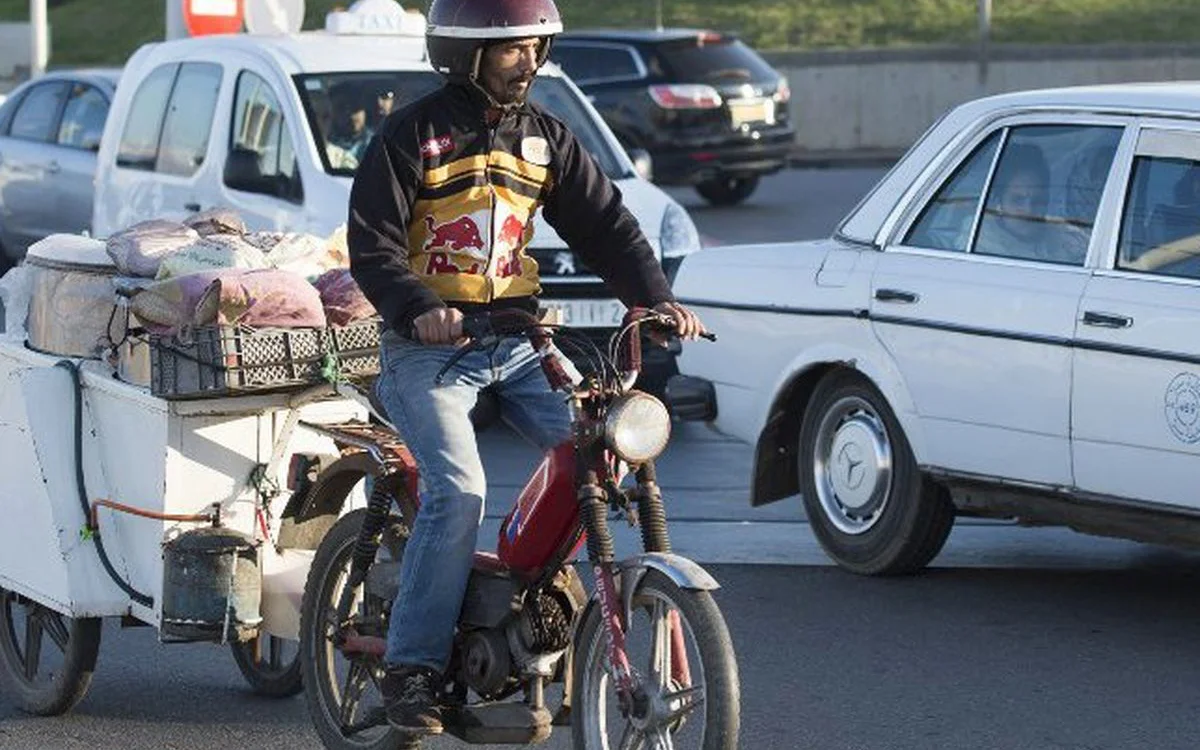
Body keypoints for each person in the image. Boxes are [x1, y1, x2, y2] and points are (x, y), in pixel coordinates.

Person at [345, 0, 706, 737]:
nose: (530, 61)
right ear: (467, 54)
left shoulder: (545, 139)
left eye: (536, 47)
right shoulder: (413, 135)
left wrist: (656, 303)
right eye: (515, 48)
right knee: (459, 490)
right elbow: (373, 241)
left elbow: (608, 227)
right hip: (428, 349)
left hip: (519, 341)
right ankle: (410, 670)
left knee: (602, 447)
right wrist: (418, 305)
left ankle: (531, 597)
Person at [975, 143, 1088, 265]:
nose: (1028, 210)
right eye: (1017, 200)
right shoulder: (980, 250)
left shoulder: (1067, 237)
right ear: (998, 202)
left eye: (1038, 200)